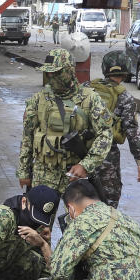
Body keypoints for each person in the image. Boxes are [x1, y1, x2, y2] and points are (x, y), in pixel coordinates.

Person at [17, 48, 113, 195]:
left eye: (56, 72)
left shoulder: (90, 99)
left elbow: (105, 134)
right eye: (48, 73)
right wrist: (24, 170)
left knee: (81, 217)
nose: (51, 77)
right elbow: (27, 136)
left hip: (76, 173)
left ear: (69, 71)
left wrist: (86, 165)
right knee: (38, 217)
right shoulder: (38, 99)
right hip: (44, 172)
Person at [86, 51, 140, 207]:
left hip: (80, 153)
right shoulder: (125, 97)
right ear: (126, 71)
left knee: (79, 200)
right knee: (108, 202)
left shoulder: (87, 88)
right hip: (107, 157)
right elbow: (132, 132)